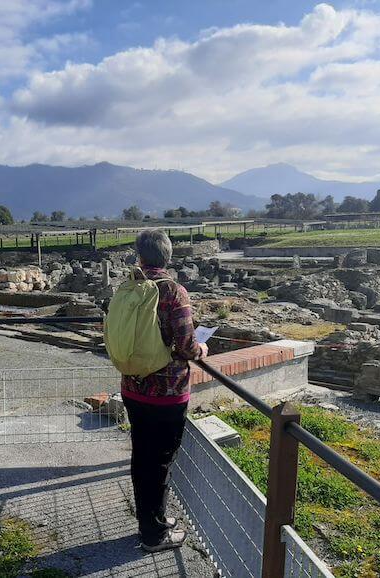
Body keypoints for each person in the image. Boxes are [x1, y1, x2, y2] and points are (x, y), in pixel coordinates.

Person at [121, 229, 207, 553]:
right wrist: (204, 349)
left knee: (142, 457)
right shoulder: (173, 291)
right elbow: (186, 345)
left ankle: (151, 520)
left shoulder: (130, 286)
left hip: (132, 387)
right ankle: (153, 535)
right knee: (160, 462)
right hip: (167, 393)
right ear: (167, 256)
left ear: (139, 256)